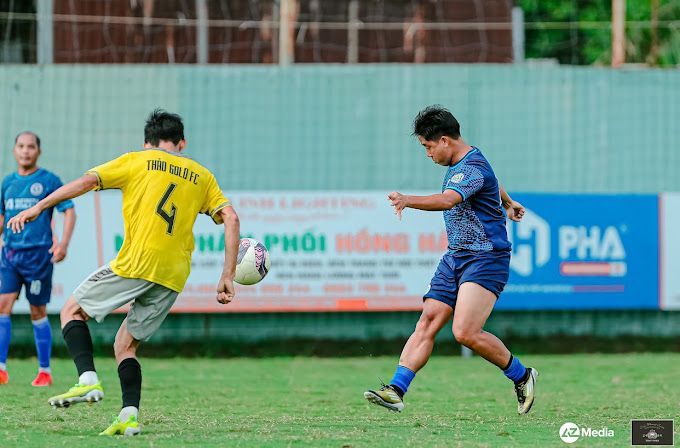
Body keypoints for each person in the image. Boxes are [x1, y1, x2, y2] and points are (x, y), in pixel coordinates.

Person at [7, 110, 240, 436]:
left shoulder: (137, 160)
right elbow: (231, 218)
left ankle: (87, 379)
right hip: (174, 274)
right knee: (125, 346)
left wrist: (39, 206)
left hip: (138, 262)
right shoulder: (202, 176)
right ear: (182, 143)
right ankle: (129, 416)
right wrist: (227, 275)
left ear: (147, 143)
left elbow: (87, 182)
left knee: (72, 310)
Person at [363, 105, 537, 414]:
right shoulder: (467, 163)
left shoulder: (470, 168)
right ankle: (396, 390)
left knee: (465, 332)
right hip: (456, 256)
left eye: (428, 146)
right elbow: (492, 181)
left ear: (445, 140)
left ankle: (522, 375)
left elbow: (447, 200)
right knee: (428, 320)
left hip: (486, 257)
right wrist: (508, 202)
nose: (428, 154)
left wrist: (408, 200)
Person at [0, 131, 76, 387]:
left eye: (30, 146)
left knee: (37, 311)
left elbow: (69, 211)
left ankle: (45, 371)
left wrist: (63, 244)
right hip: (10, 255)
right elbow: (2, 219)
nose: (25, 151)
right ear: (14, 151)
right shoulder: (7, 183)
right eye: (21, 146)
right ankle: (1, 369)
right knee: (2, 306)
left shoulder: (49, 181)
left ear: (38, 151)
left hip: (38, 257)